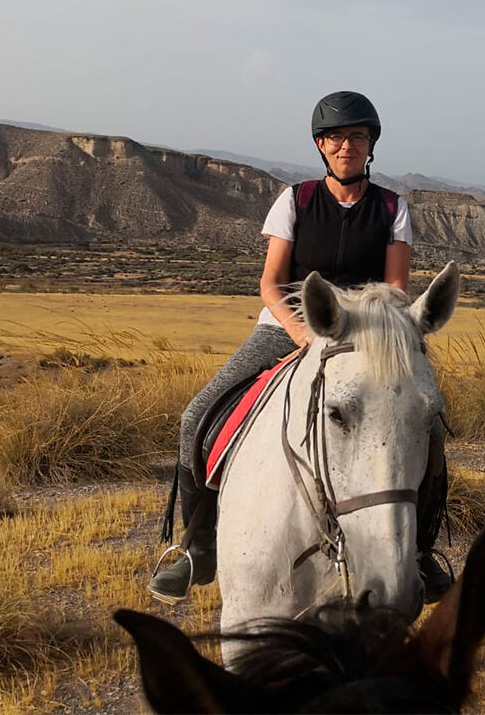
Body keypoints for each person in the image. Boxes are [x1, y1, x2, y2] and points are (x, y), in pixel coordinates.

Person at [148, 91, 453, 604]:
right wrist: (301, 333)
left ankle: (419, 552)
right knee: (196, 415)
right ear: (321, 145)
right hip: (286, 327)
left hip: (364, 341)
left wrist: (358, 333)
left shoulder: (391, 208)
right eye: (336, 137)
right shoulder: (295, 199)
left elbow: (397, 292)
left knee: (430, 435)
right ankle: (197, 543)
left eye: (357, 136)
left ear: (370, 144)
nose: (346, 146)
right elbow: (270, 283)